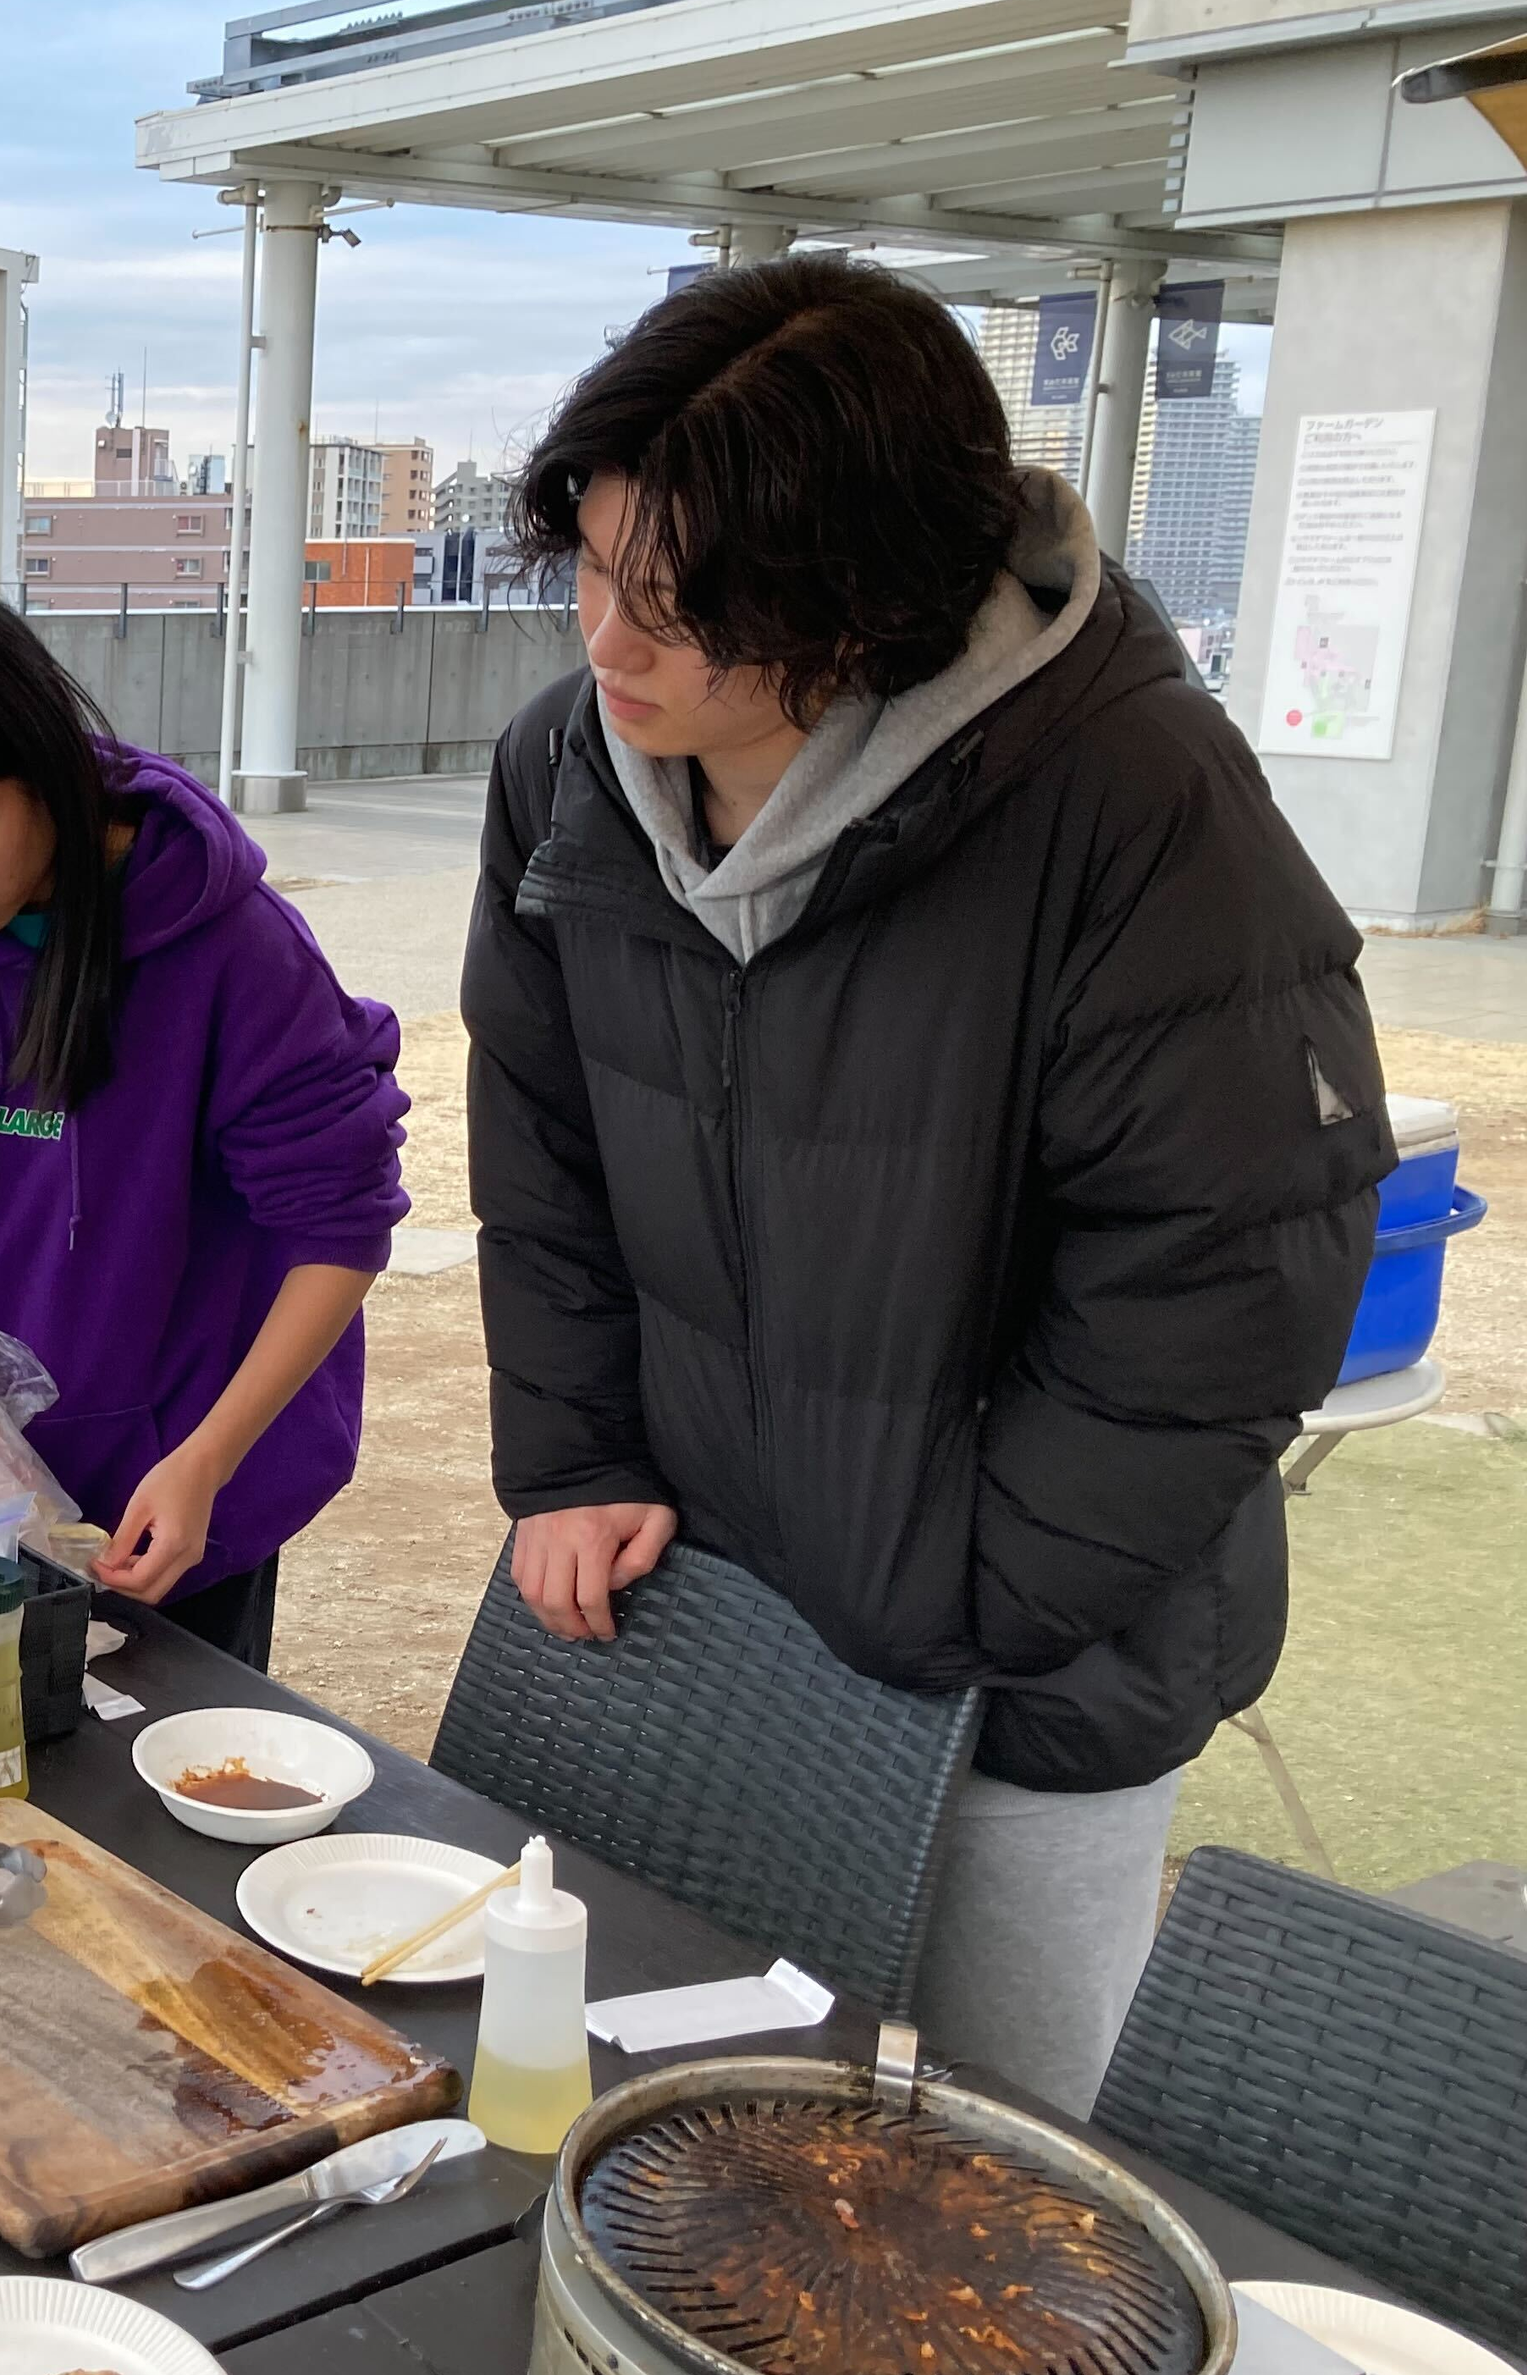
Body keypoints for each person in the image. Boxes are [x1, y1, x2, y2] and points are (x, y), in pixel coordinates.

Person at [463, 253, 1392, 2113]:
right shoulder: (572, 765)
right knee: (672, 2117)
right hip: (706, 1592)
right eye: (588, 573)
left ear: (859, 609)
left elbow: (1228, 1275)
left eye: (677, 609)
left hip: (1030, 1662)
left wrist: (956, 1589)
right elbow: (541, 1140)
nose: (606, 647)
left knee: (990, 2186)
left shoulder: (1133, 803)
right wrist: (572, 1458)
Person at [0, 584, 410, 1669]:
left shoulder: (231, 949)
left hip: (186, 1481)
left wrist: (207, 1459)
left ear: (41, 764)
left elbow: (339, 1226)